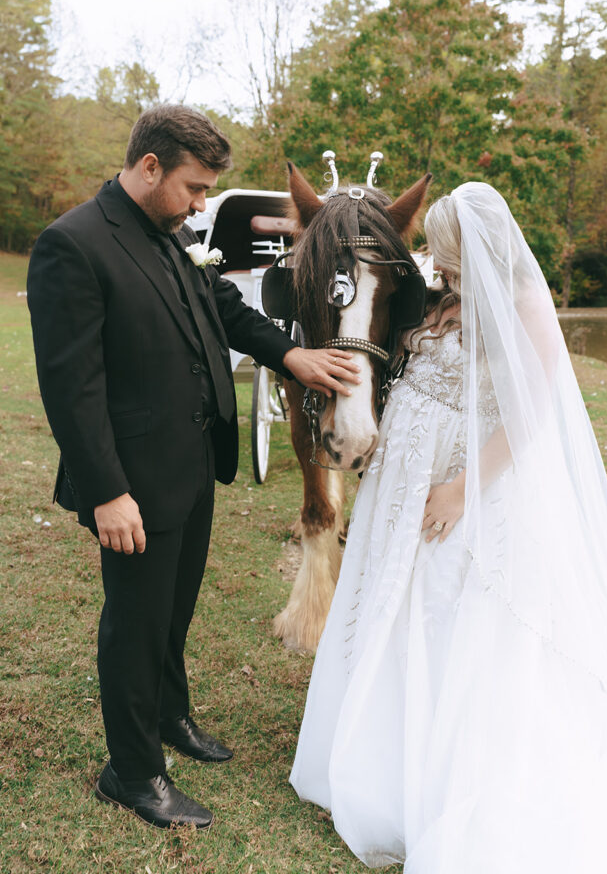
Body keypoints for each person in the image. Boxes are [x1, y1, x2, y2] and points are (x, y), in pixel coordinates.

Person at [290, 182, 607, 873]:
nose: (433, 265)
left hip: (460, 488)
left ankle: (438, 763)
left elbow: (532, 413)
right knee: (390, 599)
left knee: (449, 608)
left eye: (445, 254)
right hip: (399, 485)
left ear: (474, 248)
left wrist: (462, 492)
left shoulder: (523, 306)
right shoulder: (440, 294)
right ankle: (372, 742)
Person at [27, 104, 360, 830]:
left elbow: (222, 309)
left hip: (191, 467)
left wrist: (291, 353)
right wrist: (107, 492)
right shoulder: (73, 246)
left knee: (173, 613)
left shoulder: (168, 235)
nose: (202, 204)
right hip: (133, 481)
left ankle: (169, 716)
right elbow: (71, 389)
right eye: (195, 187)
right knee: (136, 622)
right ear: (149, 167)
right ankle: (133, 771)